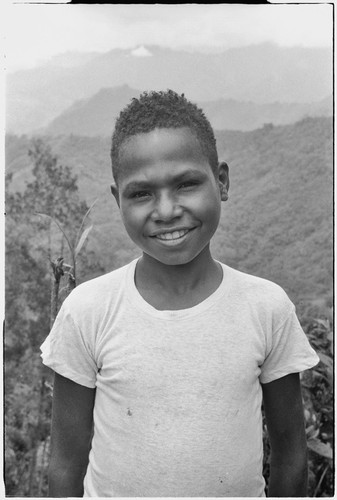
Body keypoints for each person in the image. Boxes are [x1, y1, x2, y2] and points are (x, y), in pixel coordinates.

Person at [40, 89, 319, 497]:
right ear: (118, 200)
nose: (167, 210)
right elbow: (66, 463)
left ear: (221, 181)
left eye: (186, 184)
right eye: (141, 193)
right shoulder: (88, 311)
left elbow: (291, 456)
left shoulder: (266, 308)